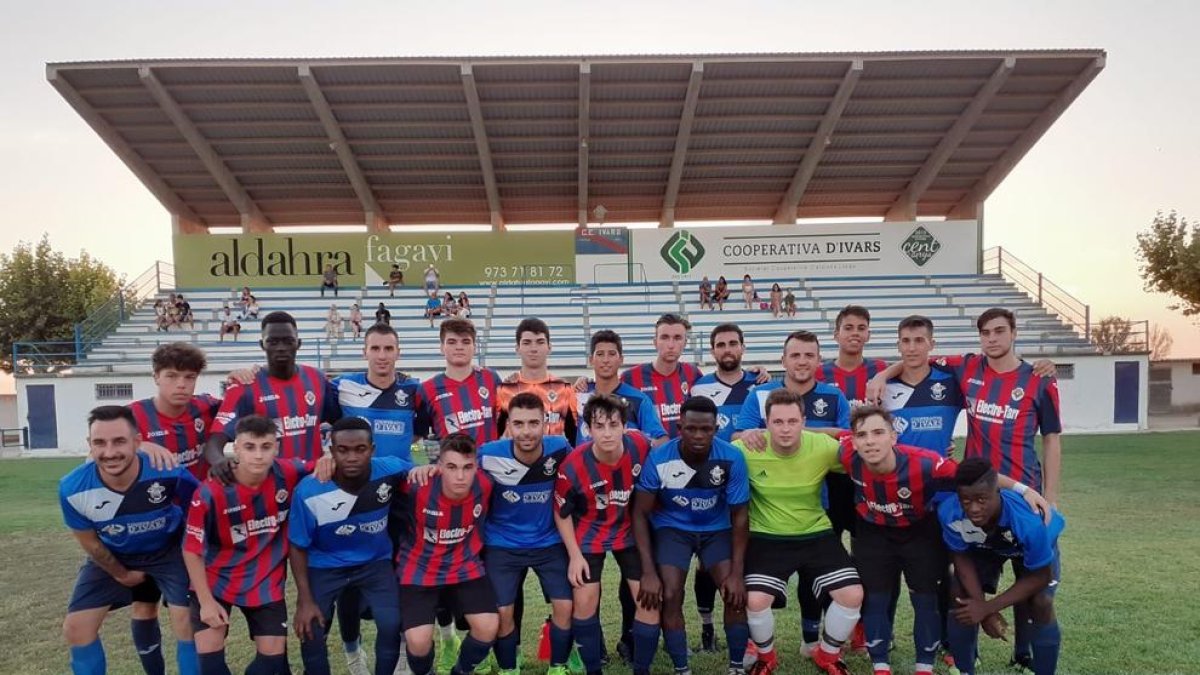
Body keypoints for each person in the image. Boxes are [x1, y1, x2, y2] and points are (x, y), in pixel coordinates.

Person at [844, 406, 1048, 675]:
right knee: (877, 598)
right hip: (873, 533)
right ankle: (880, 665)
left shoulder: (926, 463)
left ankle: (924, 667)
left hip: (918, 533)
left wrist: (1023, 489)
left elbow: (977, 477)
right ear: (853, 440)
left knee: (925, 598)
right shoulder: (845, 453)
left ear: (893, 437)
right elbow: (817, 436)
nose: (870, 440)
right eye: (862, 435)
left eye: (878, 432)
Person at [60, 406, 201, 675]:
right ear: (90, 445)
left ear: (138, 442)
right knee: (76, 628)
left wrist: (192, 556)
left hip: (168, 552)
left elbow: (199, 509)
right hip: (115, 555)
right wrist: (121, 574)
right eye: (100, 443)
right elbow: (90, 543)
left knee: (186, 621)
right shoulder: (73, 488)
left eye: (119, 441)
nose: (110, 452)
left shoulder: (167, 470)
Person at [183, 415, 328, 675]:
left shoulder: (289, 472)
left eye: (266, 447)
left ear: (277, 447)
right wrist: (205, 601)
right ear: (236, 448)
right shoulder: (210, 491)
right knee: (210, 664)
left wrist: (329, 459)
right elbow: (191, 549)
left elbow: (323, 465)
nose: (258, 456)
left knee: (272, 663)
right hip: (215, 581)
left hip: (265, 581)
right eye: (250, 447)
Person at [734, 330, 850, 654]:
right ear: (783, 359)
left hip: (821, 501)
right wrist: (755, 433)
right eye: (795, 355)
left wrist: (795, 432)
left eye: (808, 355)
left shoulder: (833, 396)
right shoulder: (760, 393)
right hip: (769, 505)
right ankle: (755, 645)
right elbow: (741, 434)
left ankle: (810, 638)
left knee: (816, 579)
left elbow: (844, 436)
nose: (801, 361)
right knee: (761, 580)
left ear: (819, 360)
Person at [289, 417, 422, 675]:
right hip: (325, 566)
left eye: (360, 449)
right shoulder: (309, 491)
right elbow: (297, 546)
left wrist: (429, 470)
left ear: (372, 449)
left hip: (375, 563)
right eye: (343, 450)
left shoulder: (390, 469)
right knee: (311, 630)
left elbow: (419, 472)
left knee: (391, 622)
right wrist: (304, 600)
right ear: (331, 451)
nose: (352, 457)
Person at [631, 396, 751, 675]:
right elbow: (639, 514)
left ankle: (736, 667)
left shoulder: (732, 457)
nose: (698, 435)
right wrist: (648, 571)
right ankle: (681, 668)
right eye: (691, 428)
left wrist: (736, 571)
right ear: (679, 426)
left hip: (716, 529)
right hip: (673, 529)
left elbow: (740, 516)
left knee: (733, 593)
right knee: (671, 593)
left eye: (706, 429)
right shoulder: (659, 458)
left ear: (716, 428)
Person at [554, 394, 655, 675]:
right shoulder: (573, 466)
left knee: (647, 599)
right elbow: (561, 514)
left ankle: (642, 669)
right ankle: (593, 669)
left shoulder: (640, 446)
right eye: (599, 426)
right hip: (589, 533)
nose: (607, 432)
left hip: (630, 531)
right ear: (588, 429)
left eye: (613, 424)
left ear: (625, 425)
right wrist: (574, 555)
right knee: (585, 599)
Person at [477, 394, 576, 675]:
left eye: (534, 423)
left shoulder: (560, 448)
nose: (527, 431)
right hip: (502, 545)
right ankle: (509, 668)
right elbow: (456, 471)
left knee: (565, 606)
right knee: (503, 612)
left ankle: (558, 667)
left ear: (546, 423)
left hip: (548, 541)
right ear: (509, 425)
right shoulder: (488, 454)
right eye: (519, 424)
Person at [938, 458, 1065, 675]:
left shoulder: (1029, 522)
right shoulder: (950, 512)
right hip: (987, 545)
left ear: (998, 492)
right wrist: (979, 607)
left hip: (1028, 546)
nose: (974, 508)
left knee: (1041, 601)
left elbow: (1041, 576)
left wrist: (988, 608)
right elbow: (960, 558)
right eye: (966, 501)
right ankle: (965, 670)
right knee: (959, 593)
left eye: (981, 499)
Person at [394, 433, 498, 675]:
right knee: (418, 642)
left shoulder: (486, 484)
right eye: (451, 467)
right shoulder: (415, 486)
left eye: (467, 467)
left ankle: (460, 671)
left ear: (476, 466)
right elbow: (383, 474)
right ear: (439, 466)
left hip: (465, 566)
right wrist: (415, 468)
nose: (460, 476)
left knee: (488, 627)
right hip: (419, 569)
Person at [203, 311, 341, 470]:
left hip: (313, 480)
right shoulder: (244, 385)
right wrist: (220, 461)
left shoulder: (317, 379)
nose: (281, 348)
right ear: (262, 344)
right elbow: (216, 440)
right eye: (273, 342)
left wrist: (333, 453)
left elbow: (340, 422)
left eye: (288, 341)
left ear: (298, 343)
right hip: (269, 482)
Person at [416, 318, 504, 447]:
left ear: (474, 347)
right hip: (451, 466)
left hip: (490, 465)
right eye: (452, 342)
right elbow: (416, 435)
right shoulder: (427, 389)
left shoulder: (491, 378)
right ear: (442, 347)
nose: (459, 347)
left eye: (466, 342)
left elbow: (507, 423)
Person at [574, 330, 667, 447]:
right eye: (600, 354)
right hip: (585, 465)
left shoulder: (638, 400)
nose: (606, 360)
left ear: (621, 360)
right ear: (591, 360)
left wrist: (637, 446)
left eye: (612, 354)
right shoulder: (579, 394)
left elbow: (662, 439)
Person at [498, 318, 579, 441]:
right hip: (514, 459)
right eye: (527, 343)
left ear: (549, 347)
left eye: (540, 342)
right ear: (517, 348)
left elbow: (574, 437)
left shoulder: (565, 389)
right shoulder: (504, 390)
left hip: (555, 459)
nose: (533, 348)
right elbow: (495, 435)